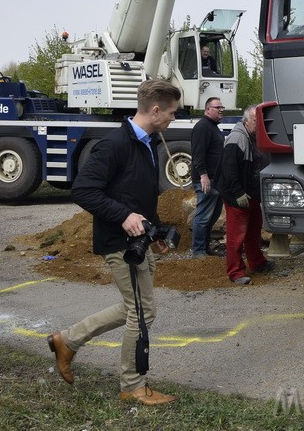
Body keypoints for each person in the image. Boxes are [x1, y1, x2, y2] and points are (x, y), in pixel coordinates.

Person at [47, 79, 180, 406]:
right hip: (119, 241)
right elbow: (83, 190)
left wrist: (156, 232)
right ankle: (132, 385)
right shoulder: (114, 144)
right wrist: (123, 217)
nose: (174, 119)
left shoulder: (147, 143)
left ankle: (67, 340)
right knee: (142, 311)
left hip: (139, 241)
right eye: (173, 113)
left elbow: (137, 195)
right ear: (155, 109)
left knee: (133, 307)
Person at [217, 104, 274, 285]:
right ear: (246, 120)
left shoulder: (252, 136)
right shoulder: (237, 138)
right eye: (256, 121)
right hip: (238, 196)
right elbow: (229, 170)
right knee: (236, 236)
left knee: (253, 231)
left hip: (251, 195)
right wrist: (238, 193)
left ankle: (257, 263)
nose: (259, 125)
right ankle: (235, 272)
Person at [190, 96, 226, 257]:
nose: (221, 110)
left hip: (216, 180)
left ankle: (204, 247)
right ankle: (198, 251)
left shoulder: (213, 127)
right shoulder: (202, 127)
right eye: (218, 107)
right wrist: (203, 176)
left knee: (212, 216)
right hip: (206, 180)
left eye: (222, 107)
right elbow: (198, 154)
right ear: (208, 109)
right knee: (203, 216)